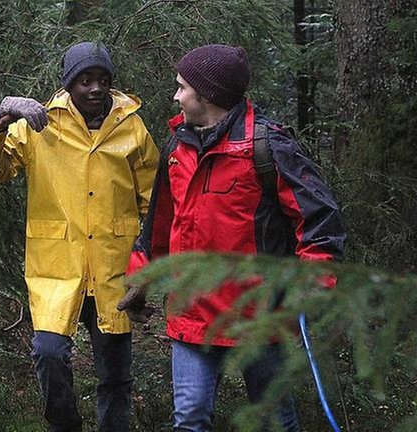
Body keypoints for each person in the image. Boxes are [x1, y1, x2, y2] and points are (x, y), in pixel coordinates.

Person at [117, 44, 346, 431]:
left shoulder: (268, 147)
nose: (175, 96)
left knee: (276, 420)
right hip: (192, 313)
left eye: (181, 87)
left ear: (205, 95)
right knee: (189, 419)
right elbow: (159, 224)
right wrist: (141, 280)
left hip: (260, 315)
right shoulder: (177, 147)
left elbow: (319, 220)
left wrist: (314, 283)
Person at [0, 41, 159, 432]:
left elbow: (153, 200)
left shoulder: (131, 126)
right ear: (69, 85)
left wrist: (147, 257)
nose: (95, 88)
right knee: (49, 355)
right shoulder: (39, 125)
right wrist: (1, 112)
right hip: (57, 269)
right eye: (85, 80)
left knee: (116, 376)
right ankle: (64, 425)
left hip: (113, 268)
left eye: (102, 80)